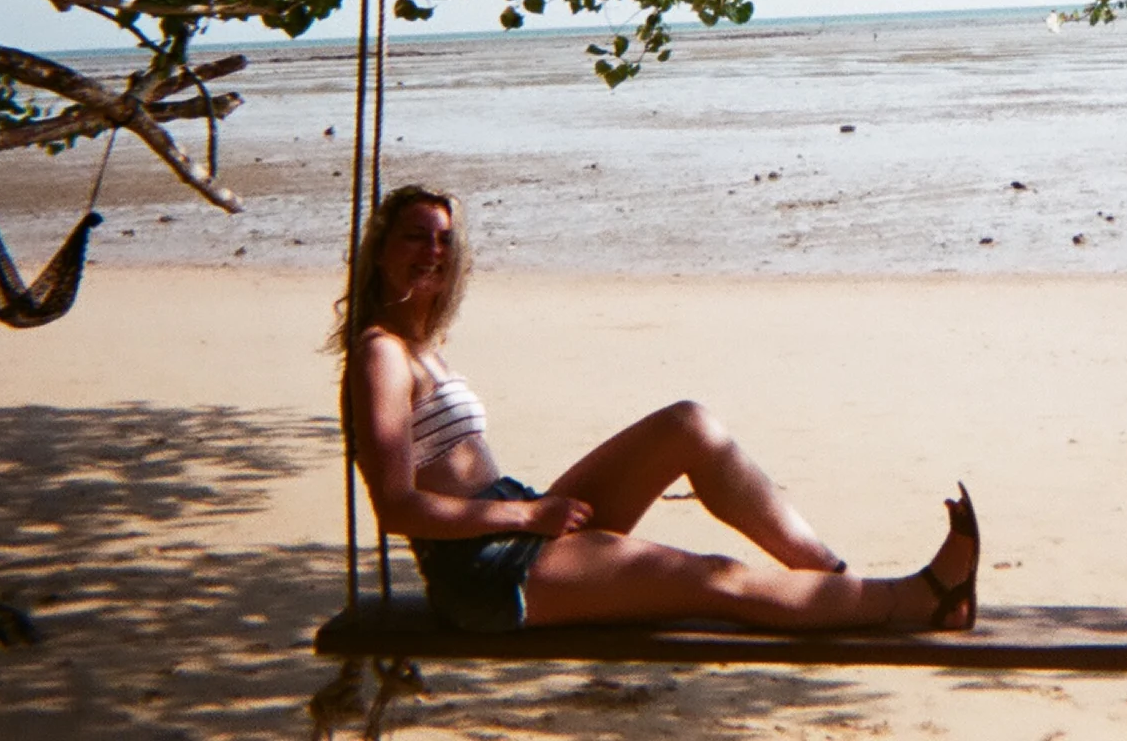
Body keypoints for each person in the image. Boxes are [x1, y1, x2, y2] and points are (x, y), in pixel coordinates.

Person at [333, 184, 978, 634]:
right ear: (381, 250)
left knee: (689, 425)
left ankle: (836, 583)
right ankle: (916, 600)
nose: (434, 251)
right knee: (714, 580)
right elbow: (396, 507)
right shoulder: (380, 356)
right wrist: (530, 514)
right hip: (486, 574)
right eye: (416, 237)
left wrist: (529, 514)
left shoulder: (419, 346)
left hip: (512, 531)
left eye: (444, 240)